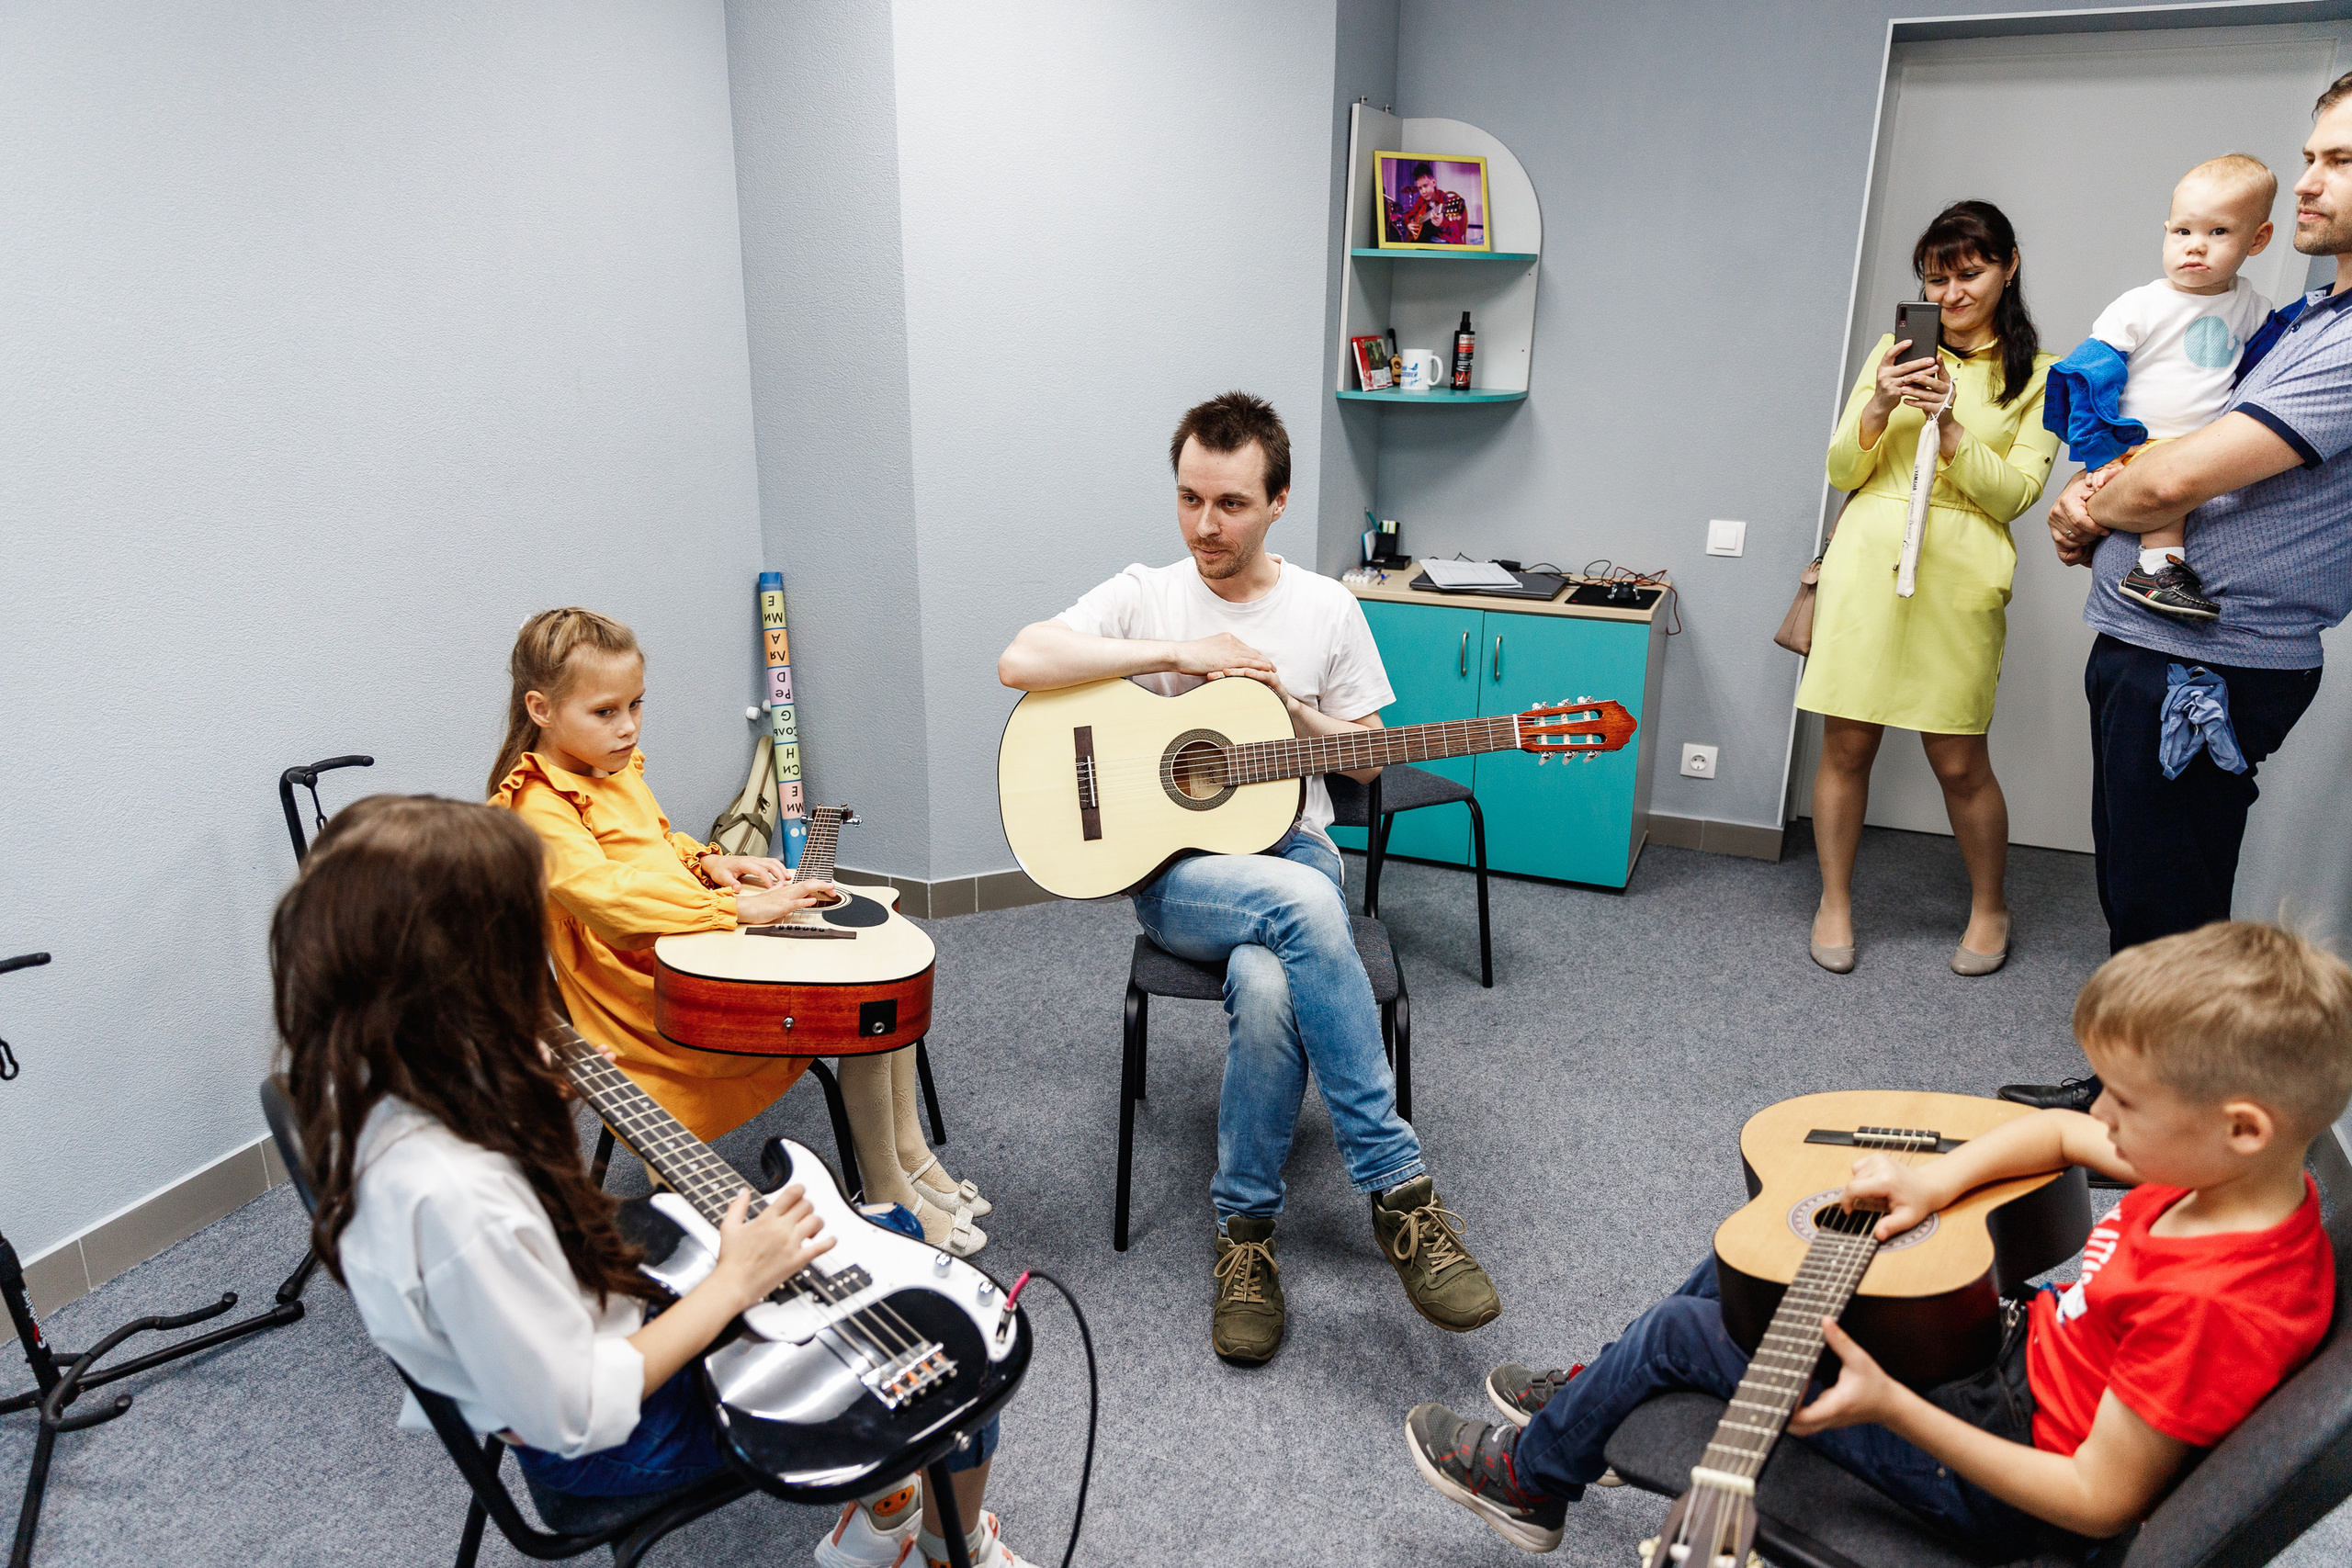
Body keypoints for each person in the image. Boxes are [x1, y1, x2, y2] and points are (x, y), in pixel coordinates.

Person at [1402, 920, 2349, 1558]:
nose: (2101, 1115)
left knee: (1680, 1335)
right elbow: (2061, 1135)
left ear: (2242, 1126)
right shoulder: (2226, 1173)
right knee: (1755, 1256)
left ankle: (1531, 1480)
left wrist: (1891, 1409)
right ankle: (1598, 1404)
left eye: (2128, 1102)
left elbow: (2097, 1499)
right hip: (2020, 1362)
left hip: (1993, 1467)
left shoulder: (2218, 1301)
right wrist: (1928, 1181)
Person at [273, 795, 1037, 1568]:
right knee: (948, 1357)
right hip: (598, 1440)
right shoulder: (458, 1200)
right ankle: (946, 1547)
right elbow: (577, 1405)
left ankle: (885, 1511)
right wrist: (733, 1282)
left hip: (566, 1323)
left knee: (885, 1236)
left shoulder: (361, 1077)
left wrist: (515, 1082)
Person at [996, 390, 1500, 1366]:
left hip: (1293, 848)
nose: (1202, 527)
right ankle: (1399, 1191)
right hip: (1177, 875)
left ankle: (1245, 1236)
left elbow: (1364, 764)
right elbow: (1022, 658)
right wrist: (1183, 653)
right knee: (1313, 907)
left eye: (1228, 504)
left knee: (1273, 977)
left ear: (1276, 501)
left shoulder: (1326, 607)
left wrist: (1290, 710)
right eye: (1188, 499)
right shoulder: (1148, 592)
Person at [2018, 74, 2352, 1112]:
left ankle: (2151, 1116)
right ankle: (2137, 1091)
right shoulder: (2304, 316)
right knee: (2137, 878)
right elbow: (2164, 455)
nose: (2307, 180)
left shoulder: (2343, 340)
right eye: (2309, 154)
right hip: (2152, 643)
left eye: (2339, 161)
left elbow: (2168, 478)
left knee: (2164, 894)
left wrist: (2093, 508)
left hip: (2206, 660)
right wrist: (2091, 511)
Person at [489, 607, 989, 1257]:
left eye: (636, 704)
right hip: (652, 1009)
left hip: (683, 955)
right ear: (542, 708)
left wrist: (712, 861)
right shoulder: (536, 804)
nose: (628, 726)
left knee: (880, 986)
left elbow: (655, 845)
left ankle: (912, 1163)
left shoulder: (608, 769)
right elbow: (612, 900)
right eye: (606, 711)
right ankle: (889, 1193)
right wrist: (738, 910)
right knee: (864, 1008)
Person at [1796, 201, 2060, 978]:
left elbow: (2014, 495)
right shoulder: (1895, 348)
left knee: (1959, 762)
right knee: (1846, 745)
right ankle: (1835, 900)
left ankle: (1990, 906)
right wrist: (1881, 400)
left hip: (1959, 577)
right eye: (1935, 279)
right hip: (1868, 566)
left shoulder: (2043, 376)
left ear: (2010, 265)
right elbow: (1844, 469)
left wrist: (1948, 428)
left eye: (1968, 274)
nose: (1949, 294)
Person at [2042, 155, 2277, 620]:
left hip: (2206, 445)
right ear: (2166, 230)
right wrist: (2099, 453)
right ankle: (2155, 568)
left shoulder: (2253, 307)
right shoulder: (2142, 305)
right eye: (2183, 232)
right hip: (2141, 440)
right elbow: (2088, 377)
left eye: (2219, 232)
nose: (2196, 247)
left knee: (2187, 480)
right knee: (2167, 485)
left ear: (2259, 239)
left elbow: (2262, 378)